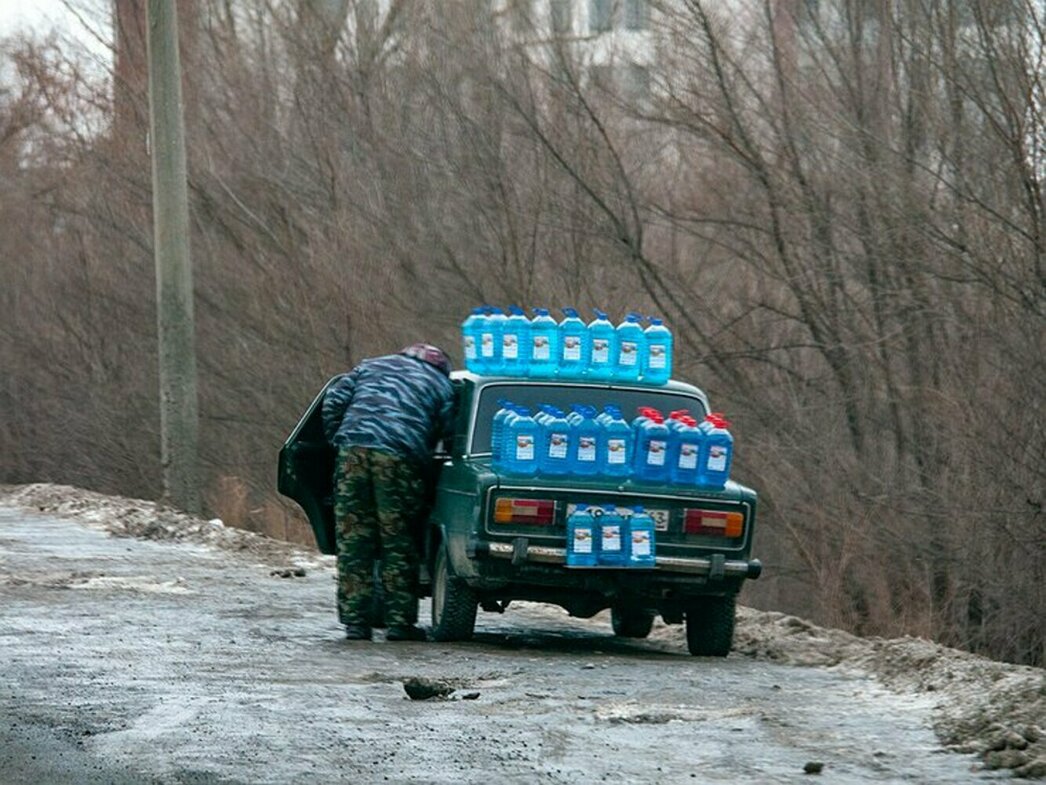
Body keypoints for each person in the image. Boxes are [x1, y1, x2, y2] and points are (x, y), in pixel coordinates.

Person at [321, 344, 455, 641]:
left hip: (352, 453)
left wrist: (338, 440)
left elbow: (334, 400)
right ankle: (399, 624)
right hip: (400, 457)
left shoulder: (370, 364)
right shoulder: (441, 384)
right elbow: (450, 433)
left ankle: (356, 624)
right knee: (399, 541)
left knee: (354, 540)